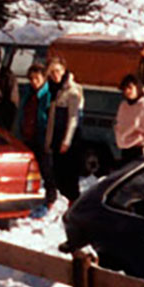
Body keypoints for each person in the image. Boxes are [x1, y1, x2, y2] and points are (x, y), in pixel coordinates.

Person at [16, 63, 55, 217]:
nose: (34, 82)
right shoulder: (28, 93)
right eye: (31, 78)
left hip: (42, 136)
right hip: (28, 134)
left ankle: (50, 199)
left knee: (47, 170)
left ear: (44, 78)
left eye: (37, 78)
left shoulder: (49, 94)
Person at [45, 55, 83, 203]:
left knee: (69, 174)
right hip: (56, 134)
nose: (55, 75)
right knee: (57, 172)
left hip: (69, 137)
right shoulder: (54, 89)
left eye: (58, 71)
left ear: (64, 70)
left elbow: (73, 118)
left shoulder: (72, 90)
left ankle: (73, 203)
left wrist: (66, 141)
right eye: (52, 72)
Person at [113, 73, 144, 164]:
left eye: (130, 88)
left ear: (137, 88)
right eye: (125, 89)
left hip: (139, 150)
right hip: (125, 148)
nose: (127, 91)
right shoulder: (123, 106)